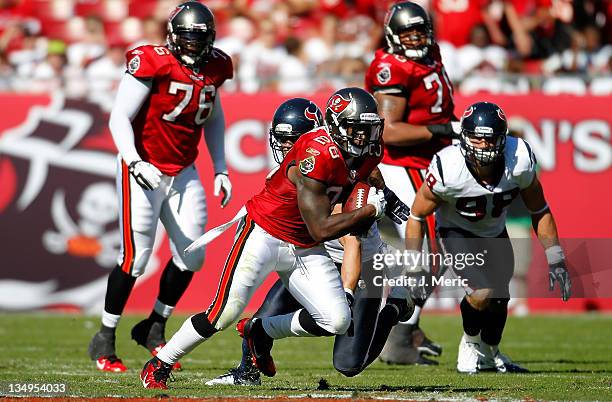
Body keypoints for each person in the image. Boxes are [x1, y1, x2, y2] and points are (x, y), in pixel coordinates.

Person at [139, 87, 411, 389]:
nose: (363, 137)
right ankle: (160, 363)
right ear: (335, 126)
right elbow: (321, 227)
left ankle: (259, 331)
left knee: (337, 320)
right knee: (223, 313)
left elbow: (368, 171)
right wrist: (372, 209)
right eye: (355, 129)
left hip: (304, 246)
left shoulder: (367, 150)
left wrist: (385, 193)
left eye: (368, 129)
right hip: (266, 234)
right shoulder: (316, 154)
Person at [87, 2, 233, 372]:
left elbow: (213, 116)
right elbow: (119, 115)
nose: (192, 44)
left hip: (184, 170)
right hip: (144, 167)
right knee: (136, 257)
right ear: (172, 37)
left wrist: (220, 167)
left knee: (194, 255)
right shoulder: (152, 61)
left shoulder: (216, 66)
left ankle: (154, 325)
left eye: (199, 37)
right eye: (186, 36)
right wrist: (134, 161)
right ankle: (105, 335)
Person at [407, 101, 571, 373]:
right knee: (481, 292)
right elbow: (417, 214)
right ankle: (469, 343)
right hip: (455, 231)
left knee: (499, 299)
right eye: (476, 138)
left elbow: (539, 209)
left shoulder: (518, 159)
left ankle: (491, 353)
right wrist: (414, 263)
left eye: (490, 139)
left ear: (502, 138)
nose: (483, 145)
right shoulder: (449, 166)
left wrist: (556, 257)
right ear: (464, 138)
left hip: (494, 231)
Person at [364, 1, 457, 365]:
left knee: (439, 252)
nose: (416, 39)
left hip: (427, 161)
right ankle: (397, 335)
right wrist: (441, 129)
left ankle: (406, 329)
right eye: (408, 33)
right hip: (402, 165)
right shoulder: (392, 66)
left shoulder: (429, 53)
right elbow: (387, 130)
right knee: (428, 254)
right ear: (393, 36)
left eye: (421, 31)